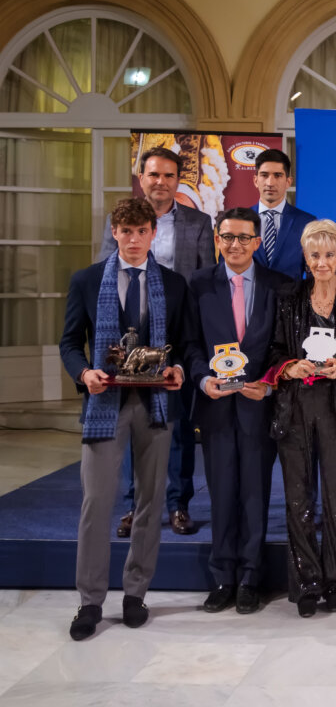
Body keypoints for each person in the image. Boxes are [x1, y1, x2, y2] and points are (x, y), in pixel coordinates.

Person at [59, 198, 192, 641]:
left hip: (155, 405)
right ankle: (90, 601)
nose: (133, 240)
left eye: (141, 232)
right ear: (113, 233)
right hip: (104, 404)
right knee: (97, 503)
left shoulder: (173, 285)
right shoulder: (86, 280)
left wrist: (178, 371)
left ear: (154, 234)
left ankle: (136, 593)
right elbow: (69, 343)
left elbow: (185, 344)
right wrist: (83, 371)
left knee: (151, 502)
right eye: (125, 231)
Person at [101, 147, 213, 537]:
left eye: (168, 175)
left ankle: (177, 504)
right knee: (135, 424)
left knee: (177, 425)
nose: (160, 182)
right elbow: (106, 273)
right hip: (132, 336)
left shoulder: (198, 222)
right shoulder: (119, 220)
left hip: (175, 335)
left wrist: (191, 341)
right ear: (141, 177)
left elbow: (202, 282)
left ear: (178, 180)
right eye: (153, 175)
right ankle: (134, 506)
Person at [186, 207, 293, 614]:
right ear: (217, 239)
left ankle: (250, 576)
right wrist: (201, 379)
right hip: (215, 406)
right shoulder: (197, 285)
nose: (235, 245)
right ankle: (222, 576)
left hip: (258, 406)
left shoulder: (278, 286)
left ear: (255, 241)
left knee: (255, 494)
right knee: (221, 494)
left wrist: (268, 381)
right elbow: (191, 345)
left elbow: (284, 345)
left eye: (244, 238)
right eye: (227, 237)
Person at [262, 219, 336, 617]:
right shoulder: (287, 296)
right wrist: (290, 368)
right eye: (314, 255)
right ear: (305, 258)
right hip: (294, 409)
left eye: (328, 255)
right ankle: (306, 584)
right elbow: (273, 350)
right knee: (298, 499)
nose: (322, 263)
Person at [252, 148, 317, 280]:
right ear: (255, 180)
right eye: (264, 175)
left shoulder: (307, 223)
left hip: (291, 299)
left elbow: (314, 274)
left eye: (277, 175)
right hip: (249, 300)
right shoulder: (239, 221)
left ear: (288, 181)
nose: (270, 183)